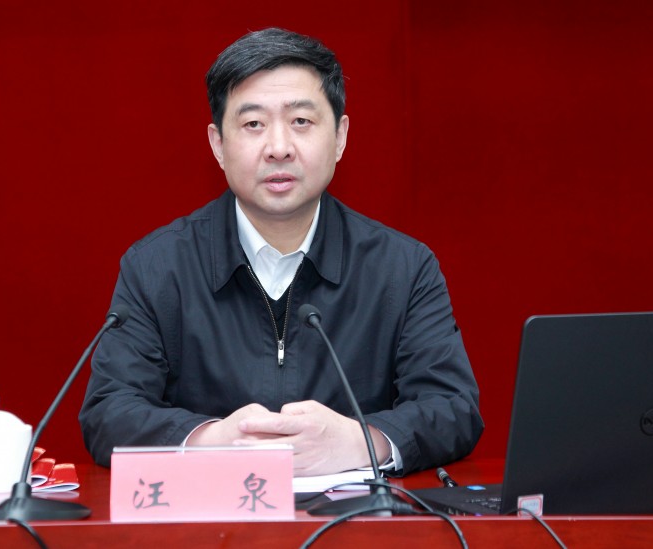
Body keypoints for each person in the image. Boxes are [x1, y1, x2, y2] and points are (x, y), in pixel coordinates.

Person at [79, 27, 483, 477]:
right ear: (218, 145)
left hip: (355, 518)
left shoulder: (402, 269)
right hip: (212, 517)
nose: (278, 148)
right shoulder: (157, 267)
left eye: (301, 122)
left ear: (340, 137)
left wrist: (360, 441)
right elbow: (109, 411)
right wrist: (212, 441)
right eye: (253, 124)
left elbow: (453, 406)